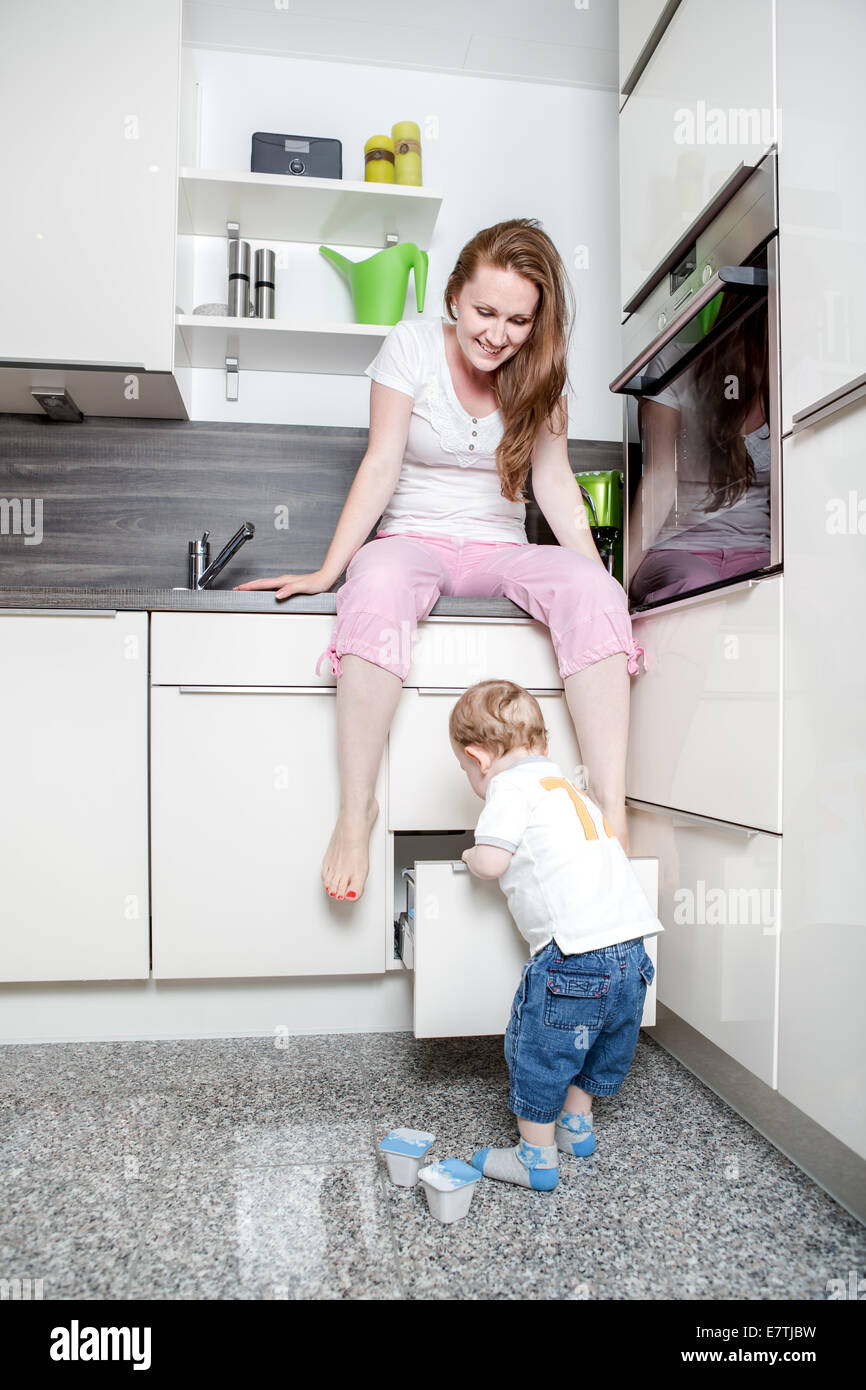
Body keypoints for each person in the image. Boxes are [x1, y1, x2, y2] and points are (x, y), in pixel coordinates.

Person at [236, 218, 645, 901]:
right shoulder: (412, 345)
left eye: (518, 320)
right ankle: (356, 808)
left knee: (598, 594)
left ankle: (610, 803)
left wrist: (598, 581)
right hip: (413, 541)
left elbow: (552, 481)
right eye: (485, 312)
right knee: (376, 583)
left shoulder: (540, 369)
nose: (497, 334)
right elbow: (381, 462)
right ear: (454, 296)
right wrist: (329, 570)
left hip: (500, 549)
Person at [450, 679, 663, 1192]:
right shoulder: (568, 788)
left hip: (574, 957)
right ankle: (576, 1126)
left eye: (466, 771)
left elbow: (493, 861)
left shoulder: (509, 788)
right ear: (541, 745)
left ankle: (536, 1159)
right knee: (596, 1044)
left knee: (541, 1052)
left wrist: (470, 856)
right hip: (631, 952)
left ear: (479, 757)